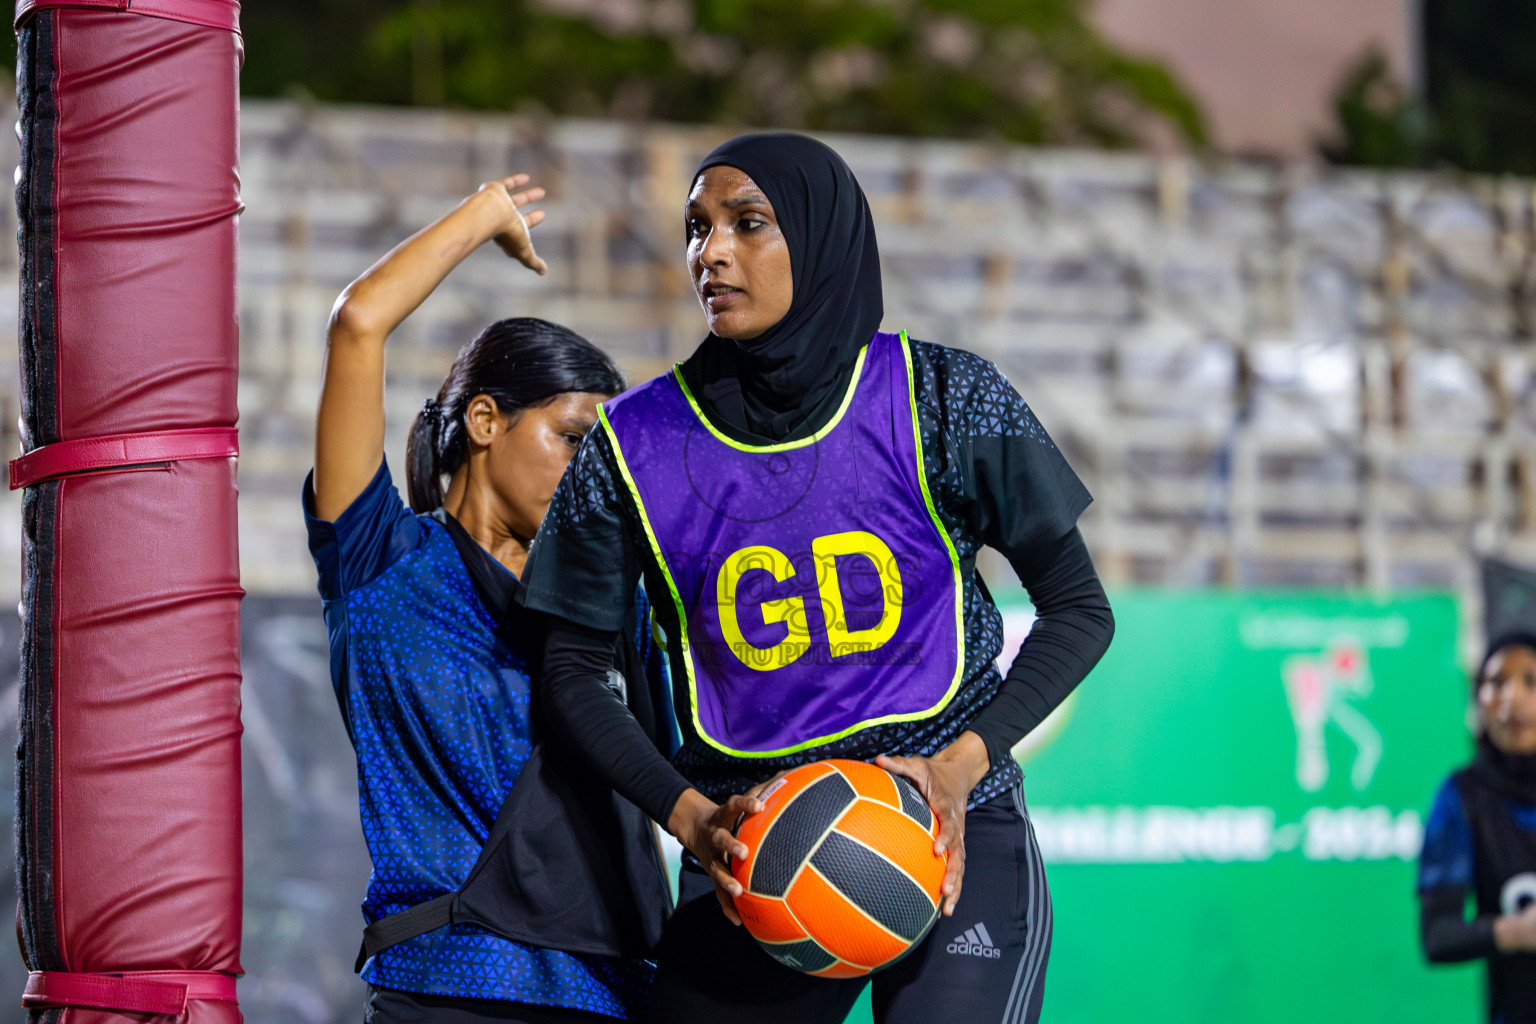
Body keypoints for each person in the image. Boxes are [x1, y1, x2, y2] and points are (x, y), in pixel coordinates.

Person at [519, 133, 1115, 1023]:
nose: (709, 252)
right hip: (750, 850)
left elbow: (1079, 610)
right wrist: (688, 817)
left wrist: (958, 770)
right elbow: (569, 669)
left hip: (949, 823)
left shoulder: (948, 395)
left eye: (747, 224)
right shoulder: (627, 446)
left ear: (822, 236)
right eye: (695, 228)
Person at [306, 174, 666, 1023]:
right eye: (574, 438)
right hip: (448, 984)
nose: (591, 474)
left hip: (614, 993)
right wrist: (484, 215)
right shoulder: (380, 561)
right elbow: (358, 324)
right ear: (484, 421)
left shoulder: (609, 602)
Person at [1419, 633, 1536, 1024]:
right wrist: (1517, 932)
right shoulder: (1463, 797)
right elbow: (1437, 936)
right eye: (1497, 683)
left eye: (1531, 682)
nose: (1512, 698)